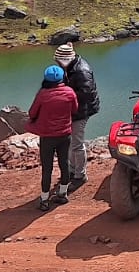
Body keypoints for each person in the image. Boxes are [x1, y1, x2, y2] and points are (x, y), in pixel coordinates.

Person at [27, 64, 78, 211]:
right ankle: (63, 193)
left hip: (47, 137)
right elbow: (74, 109)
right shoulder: (69, 92)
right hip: (65, 134)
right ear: (62, 78)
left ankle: (44, 200)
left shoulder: (43, 94)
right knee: (64, 163)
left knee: (47, 168)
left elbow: (32, 114)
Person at [53, 42, 100, 193]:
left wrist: (64, 94)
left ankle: (80, 175)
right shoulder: (71, 68)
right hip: (73, 111)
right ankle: (72, 171)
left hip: (82, 111)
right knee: (70, 142)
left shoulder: (81, 71)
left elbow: (86, 94)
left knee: (77, 144)